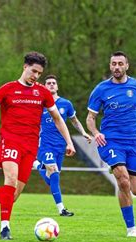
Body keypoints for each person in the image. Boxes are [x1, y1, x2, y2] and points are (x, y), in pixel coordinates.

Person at [0, 52, 76, 240]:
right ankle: (4, 228)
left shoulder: (43, 93)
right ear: (25, 67)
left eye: (39, 73)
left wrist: (69, 142)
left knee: (11, 196)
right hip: (10, 141)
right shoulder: (7, 89)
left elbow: (58, 119)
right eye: (33, 71)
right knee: (10, 180)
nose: (36, 76)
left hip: (30, 147)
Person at [86, 51, 136, 238]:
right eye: (113, 64)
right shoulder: (101, 89)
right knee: (123, 180)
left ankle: (119, 170)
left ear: (127, 66)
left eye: (120, 63)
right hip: (110, 141)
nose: (116, 67)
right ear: (110, 66)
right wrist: (96, 132)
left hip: (133, 142)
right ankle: (131, 229)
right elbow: (90, 117)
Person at [33, 74, 92, 217]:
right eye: (48, 83)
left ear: (57, 86)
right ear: (45, 86)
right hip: (45, 144)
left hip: (61, 146)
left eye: (54, 82)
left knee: (53, 177)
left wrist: (83, 132)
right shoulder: (39, 104)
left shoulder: (66, 104)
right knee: (53, 171)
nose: (52, 85)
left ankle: (37, 166)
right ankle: (61, 209)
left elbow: (74, 121)